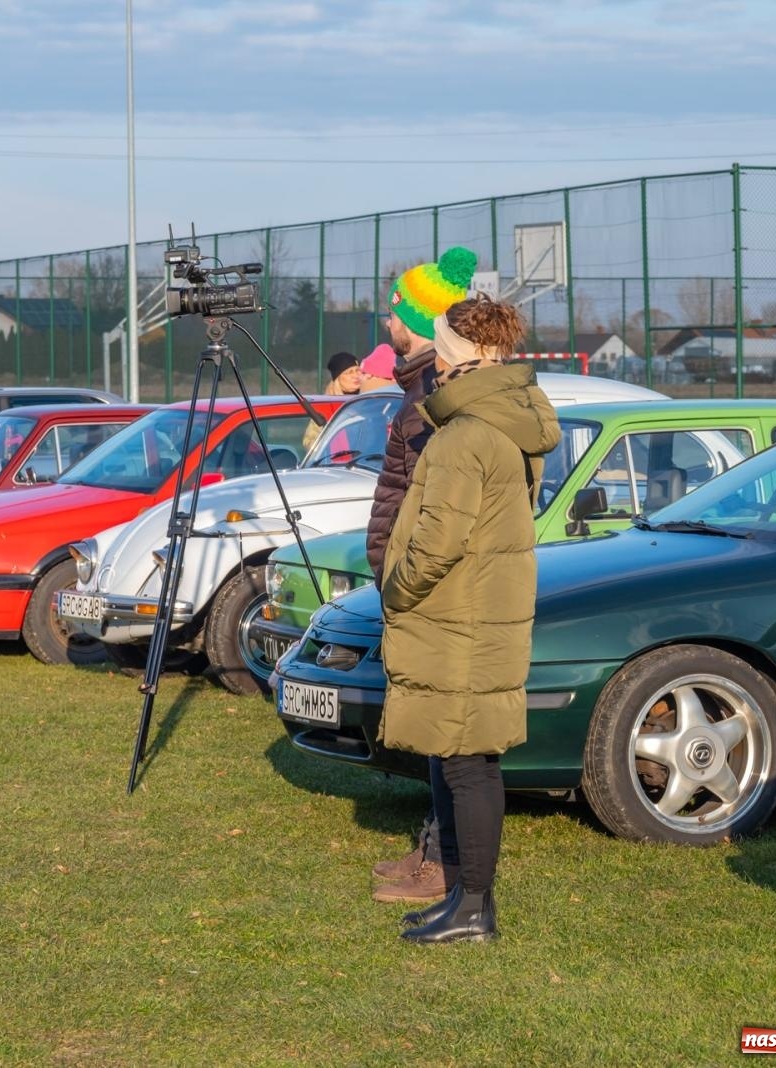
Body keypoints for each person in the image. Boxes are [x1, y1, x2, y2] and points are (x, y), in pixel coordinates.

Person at [379, 296, 560, 944]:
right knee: (456, 754)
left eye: (443, 344)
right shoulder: (508, 418)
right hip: (480, 611)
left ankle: (475, 908)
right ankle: (462, 898)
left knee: (466, 762)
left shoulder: (468, 433)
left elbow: (439, 540)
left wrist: (396, 591)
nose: (437, 355)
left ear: (467, 353)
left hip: (460, 616)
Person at [362, 246, 478, 905]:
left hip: (428, 585)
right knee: (432, 733)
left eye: (394, 309)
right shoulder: (414, 387)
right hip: (406, 579)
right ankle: (434, 849)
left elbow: (432, 500)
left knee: (447, 733)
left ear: (417, 319)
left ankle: (448, 864)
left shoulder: (435, 395)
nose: (386, 320)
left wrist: (404, 574)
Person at [301, 351, 364, 451]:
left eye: (358, 370)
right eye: (349, 372)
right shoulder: (326, 406)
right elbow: (309, 442)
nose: (356, 376)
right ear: (337, 378)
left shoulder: (367, 400)